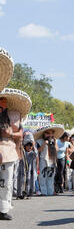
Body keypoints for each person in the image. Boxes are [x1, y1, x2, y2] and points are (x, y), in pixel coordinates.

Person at [0, 89, 32, 220]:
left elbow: (20, 134)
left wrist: (10, 134)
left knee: (6, 182)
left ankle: (3, 209)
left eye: (3, 104)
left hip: (8, 151)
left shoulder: (12, 116)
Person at [34, 125, 65, 197]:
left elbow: (57, 150)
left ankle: (50, 191)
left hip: (52, 160)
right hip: (43, 160)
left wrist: (55, 142)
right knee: (43, 176)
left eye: (51, 133)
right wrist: (44, 144)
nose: (50, 135)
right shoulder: (40, 141)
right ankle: (44, 192)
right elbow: (38, 150)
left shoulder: (54, 141)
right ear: (44, 134)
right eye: (48, 133)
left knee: (51, 176)